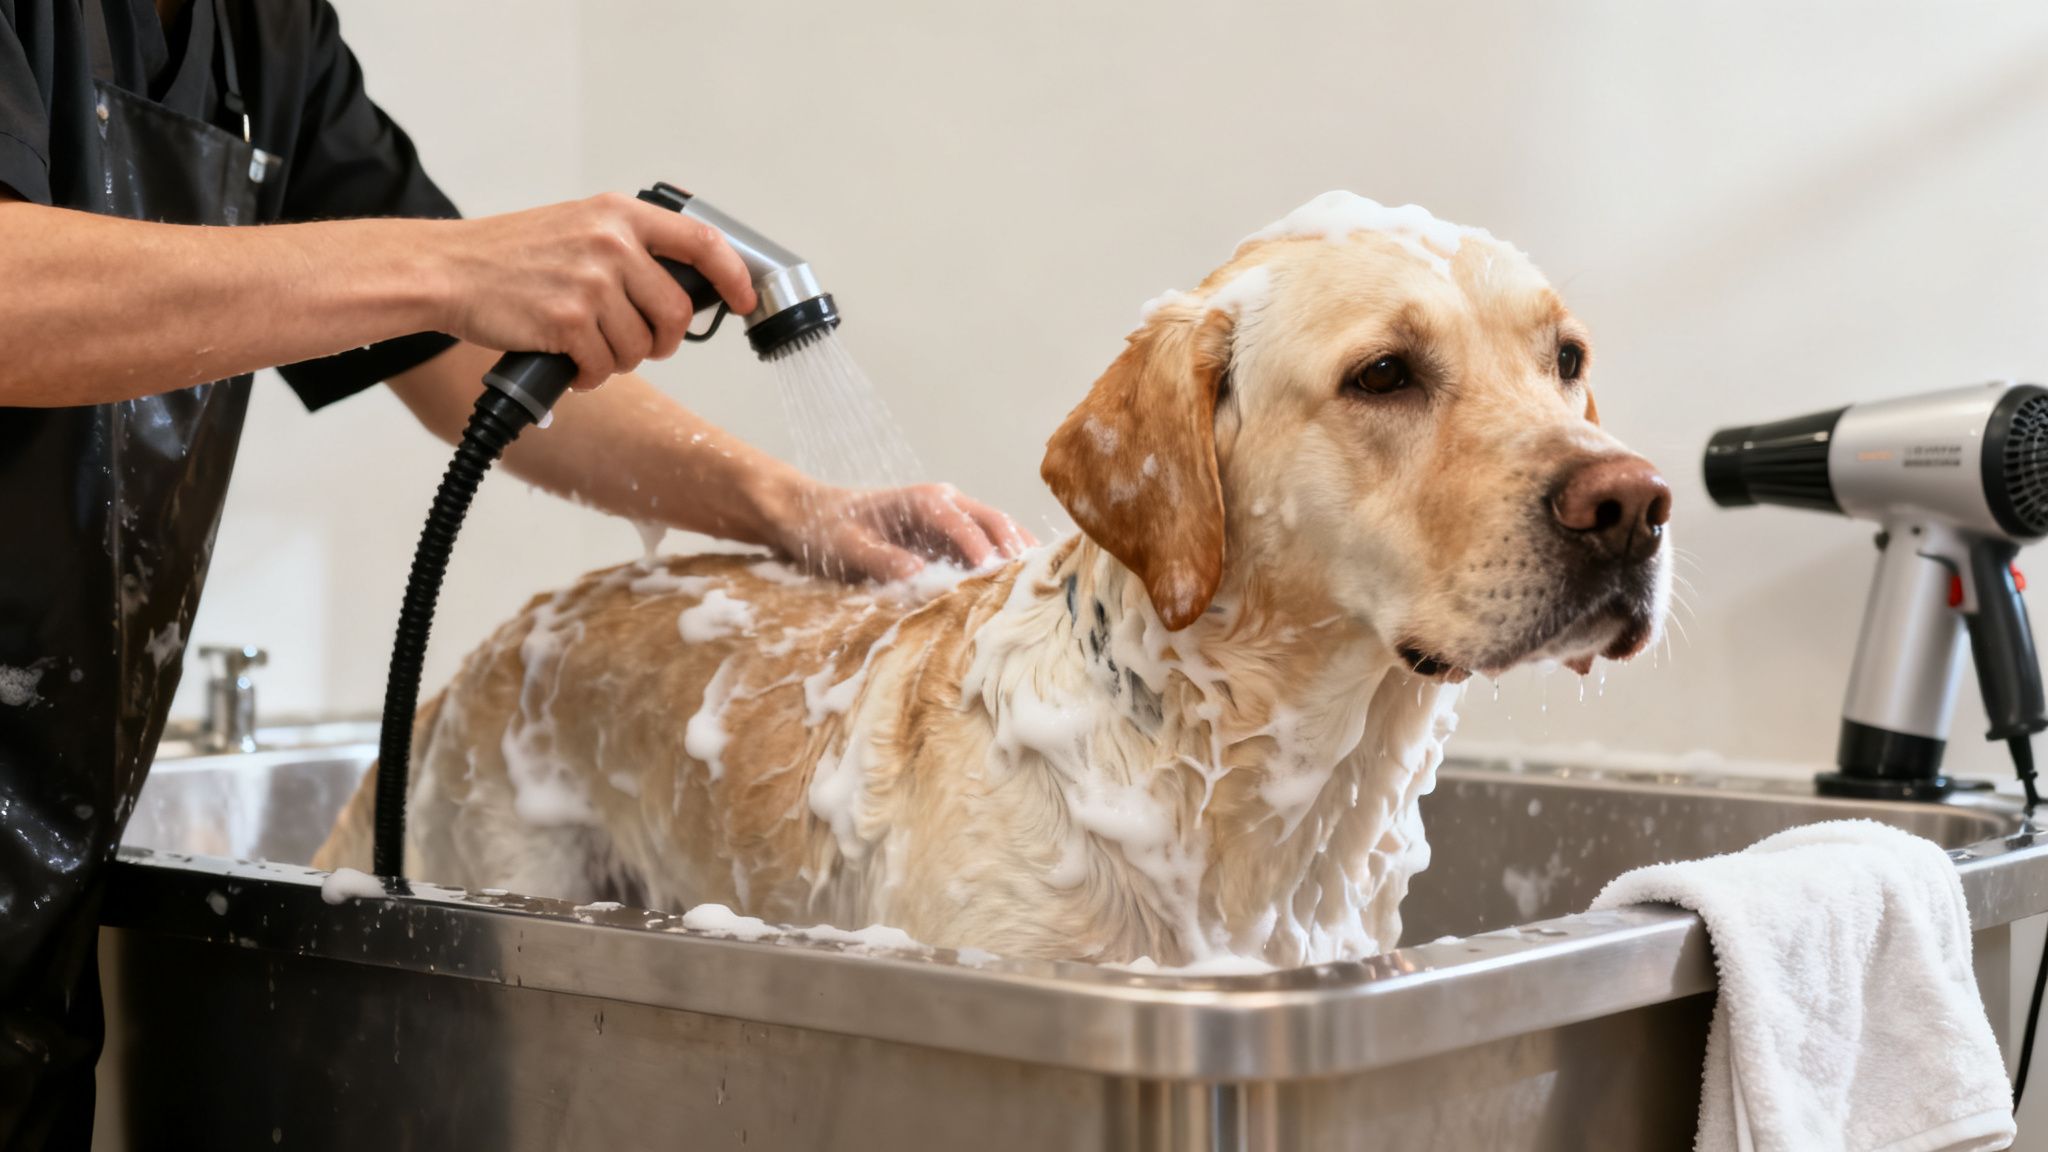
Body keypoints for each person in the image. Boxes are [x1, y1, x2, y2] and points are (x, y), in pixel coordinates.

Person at [0, 0, 1030, 1144]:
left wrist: (790, 508)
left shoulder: (262, 31)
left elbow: (457, 350)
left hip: (37, 890)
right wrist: (445, 264)